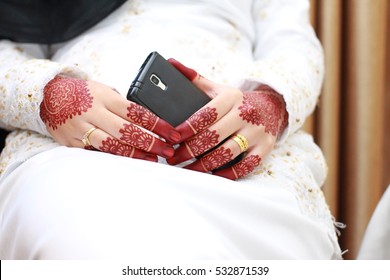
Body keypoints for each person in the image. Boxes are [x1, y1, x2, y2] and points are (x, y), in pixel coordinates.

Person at [0, 0, 342, 259]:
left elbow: (294, 47)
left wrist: (270, 103)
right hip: (78, 147)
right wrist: (49, 95)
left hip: (238, 150)